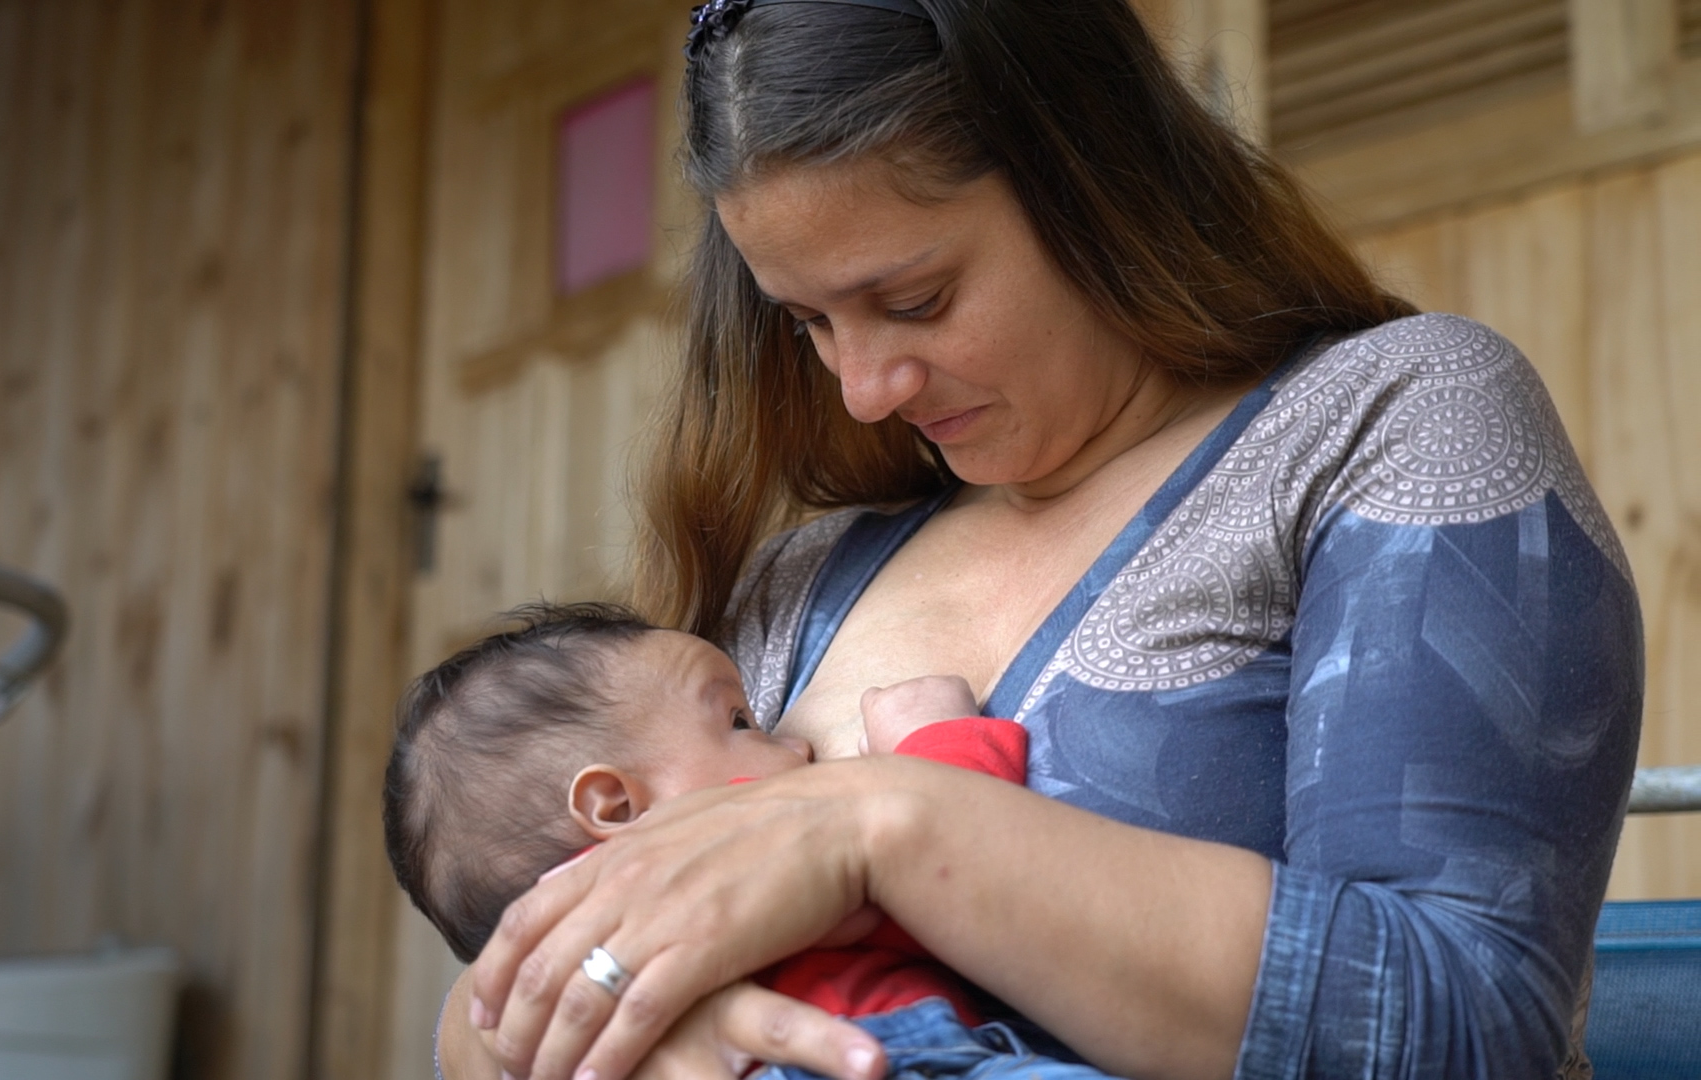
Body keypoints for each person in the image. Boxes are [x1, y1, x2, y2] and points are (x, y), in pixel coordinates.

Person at [436, 0, 1646, 1078]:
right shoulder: (797, 583)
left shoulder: (1387, 419)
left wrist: (879, 830)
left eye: (915, 300)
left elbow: (1469, 1023)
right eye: (809, 321)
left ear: (1095, 181)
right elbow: (529, 966)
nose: (864, 386)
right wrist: (600, 1033)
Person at [385, 603, 1111, 1078]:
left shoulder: (570, 945)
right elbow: (940, 884)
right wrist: (939, 740)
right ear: (616, 806)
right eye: (739, 722)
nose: (797, 746)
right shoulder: (696, 878)